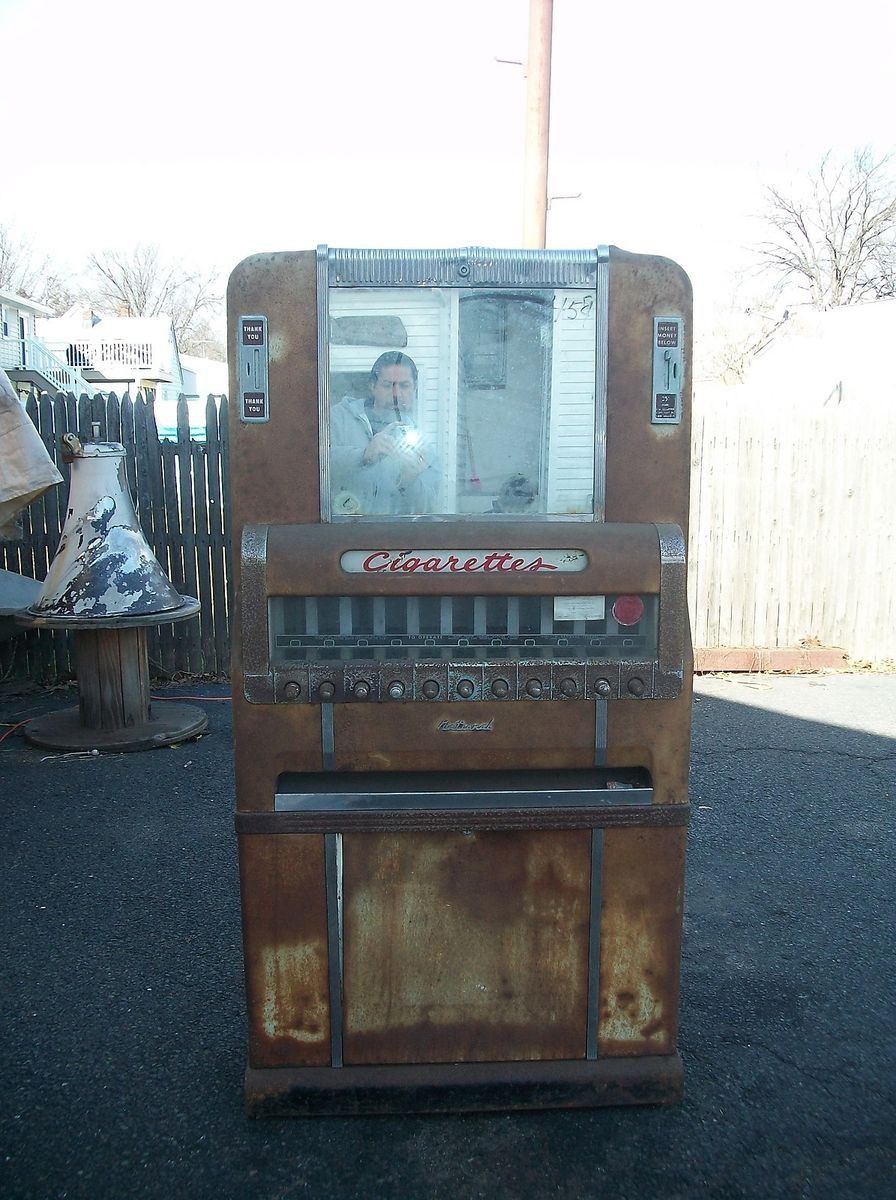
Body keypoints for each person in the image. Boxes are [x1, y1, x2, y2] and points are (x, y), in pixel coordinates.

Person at [329, 351, 439, 515]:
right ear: (372, 386)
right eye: (388, 385)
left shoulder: (422, 443)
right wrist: (363, 456)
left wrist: (409, 482)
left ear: (415, 388)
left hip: (390, 538)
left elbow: (429, 510)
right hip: (340, 535)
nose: (396, 394)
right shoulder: (337, 417)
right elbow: (313, 467)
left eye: (404, 385)